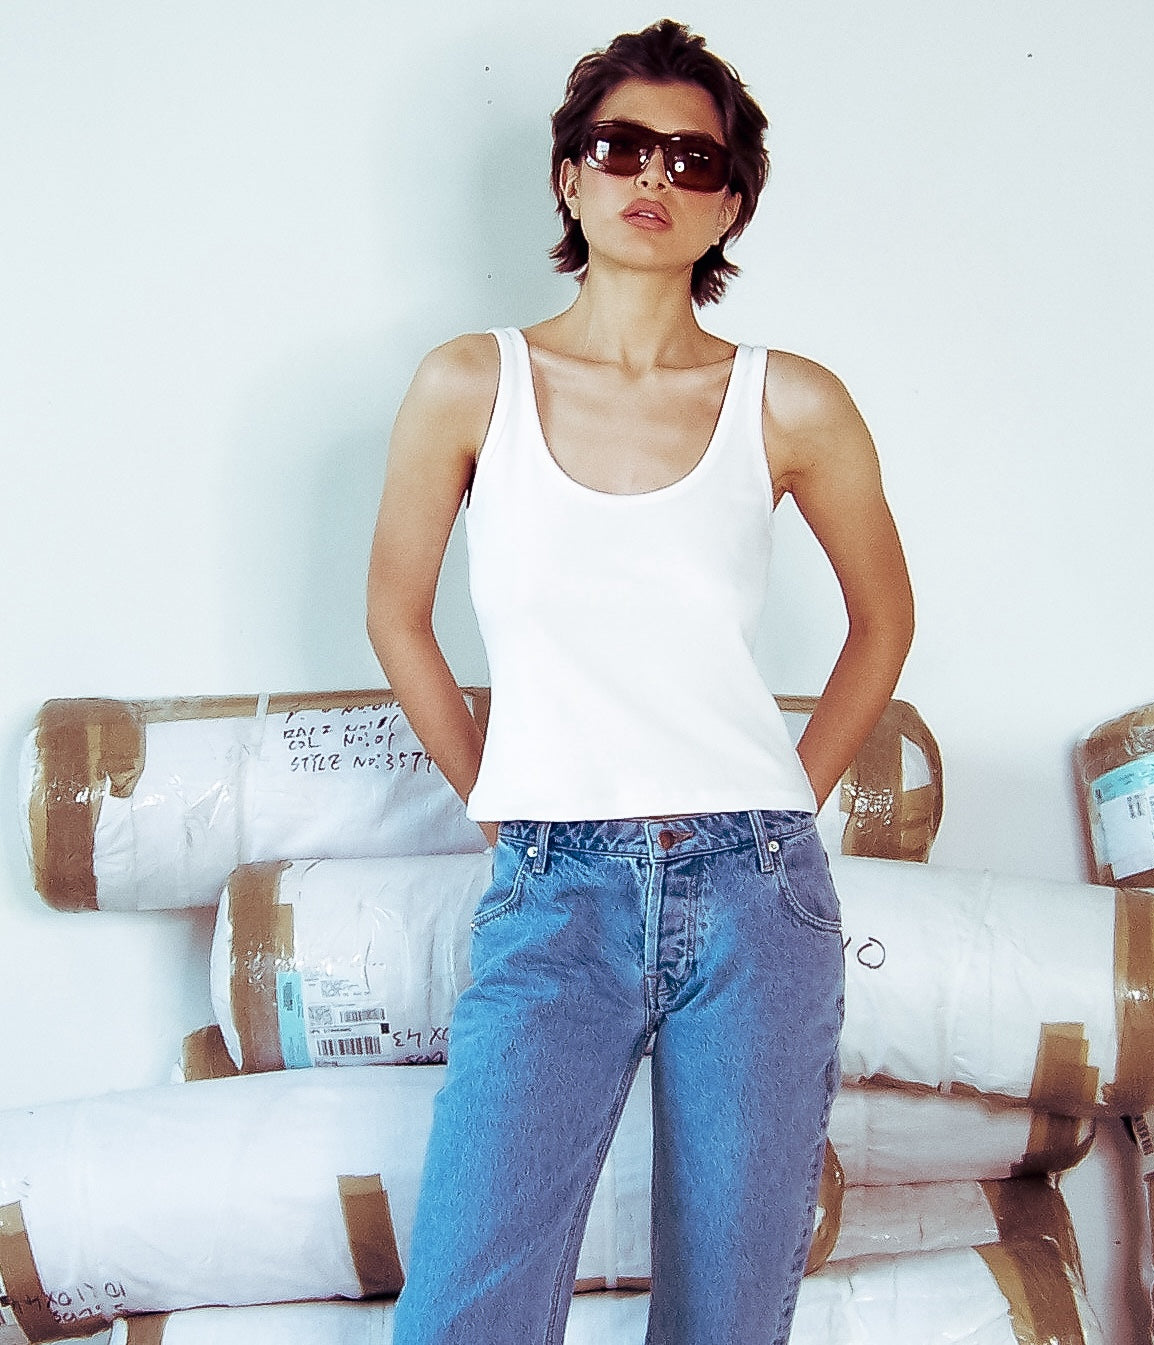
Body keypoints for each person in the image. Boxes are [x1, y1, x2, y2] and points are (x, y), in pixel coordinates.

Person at [366, 18, 913, 1345]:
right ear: (570, 176)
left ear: (731, 204)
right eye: (620, 147)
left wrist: (783, 808)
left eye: (693, 157)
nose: (653, 175)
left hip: (755, 894)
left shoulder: (789, 402)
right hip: (554, 886)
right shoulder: (470, 382)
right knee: (465, 1313)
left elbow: (883, 623)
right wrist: (502, 802)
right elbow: (395, 616)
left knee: (725, 1313)